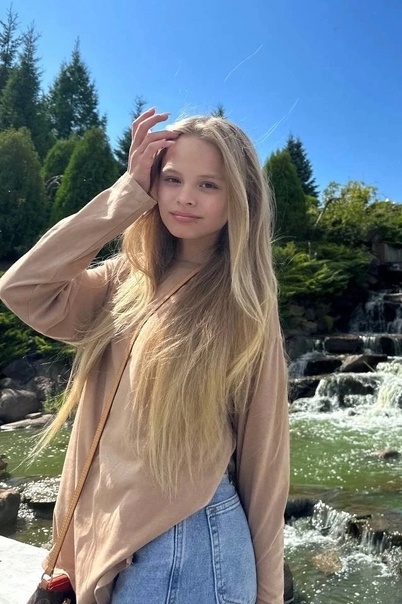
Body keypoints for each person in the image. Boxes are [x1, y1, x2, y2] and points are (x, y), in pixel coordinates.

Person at [0, 108, 289, 604]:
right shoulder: (124, 279)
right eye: (172, 178)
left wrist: (269, 594)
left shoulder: (243, 306)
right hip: (109, 540)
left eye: (209, 185)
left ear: (239, 198)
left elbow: (265, 460)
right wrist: (127, 193)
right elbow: (22, 287)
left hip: (192, 548)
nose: (185, 197)